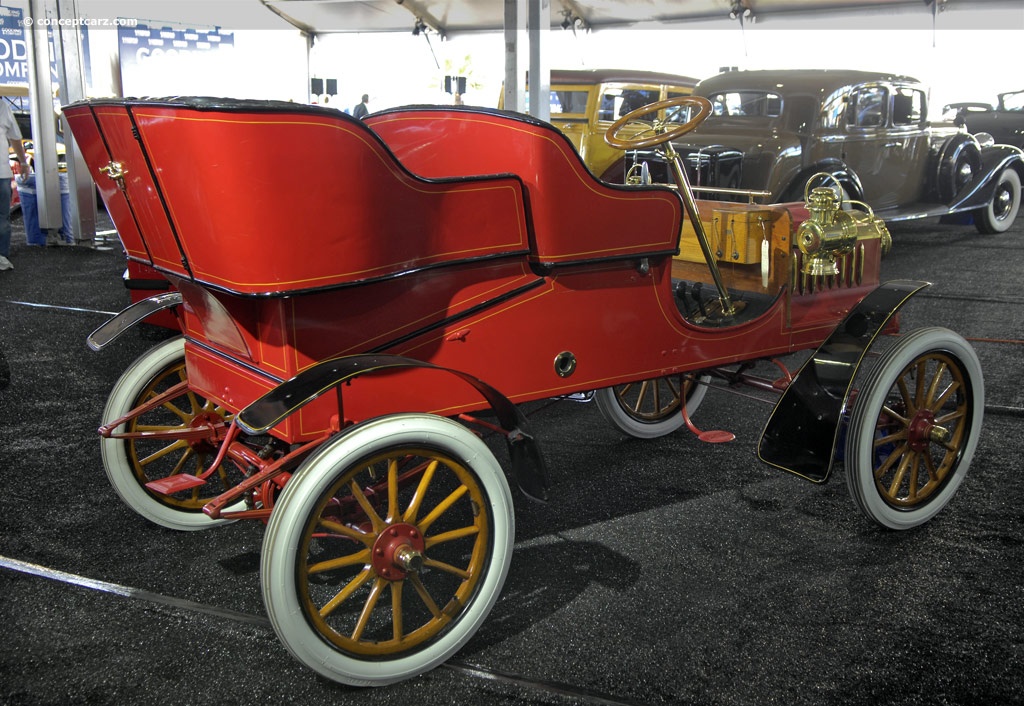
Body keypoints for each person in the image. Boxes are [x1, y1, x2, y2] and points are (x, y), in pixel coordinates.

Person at [0, 100, 28, 272]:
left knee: (2, 217)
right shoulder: (2, 106)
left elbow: (15, 137)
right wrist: (23, 162)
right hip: (1, 173)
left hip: (1, 173)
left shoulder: (2, 106)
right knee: (2, 217)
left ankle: (2, 256)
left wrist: (24, 162)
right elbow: (15, 137)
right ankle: (1, 257)